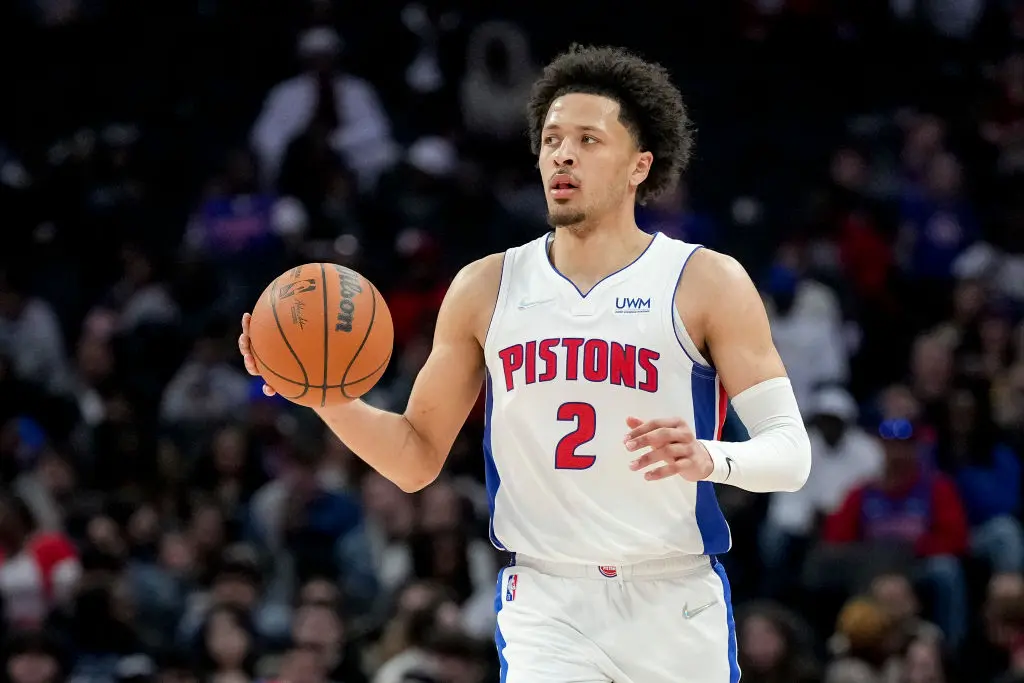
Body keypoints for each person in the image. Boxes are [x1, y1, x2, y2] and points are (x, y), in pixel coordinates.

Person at [239, 44, 812, 683]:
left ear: (638, 166)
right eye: (551, 139)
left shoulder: (704, 280)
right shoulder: (486, 287)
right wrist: (322, 394)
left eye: (589, 139)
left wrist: (713, 457)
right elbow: (413, 458)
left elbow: (791, 455)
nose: (562, 154)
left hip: (671, 598)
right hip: (548, 600)